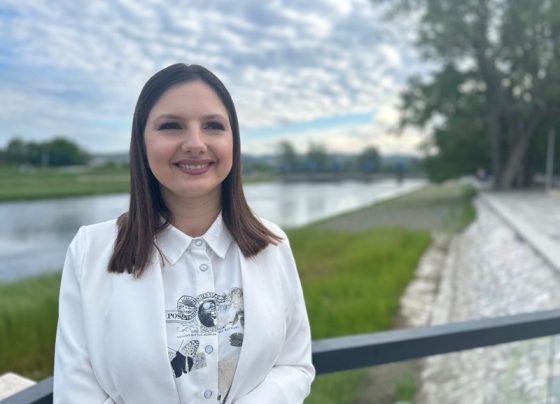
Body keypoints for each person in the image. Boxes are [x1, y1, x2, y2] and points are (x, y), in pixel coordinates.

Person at [54, 63, 315, 404]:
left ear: (233, 142)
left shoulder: (272, 244)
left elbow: (295, 365)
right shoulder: (91, 251)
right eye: (171, 126)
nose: (195, 143)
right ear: (141, 142)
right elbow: (76, 392)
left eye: (213, 126)